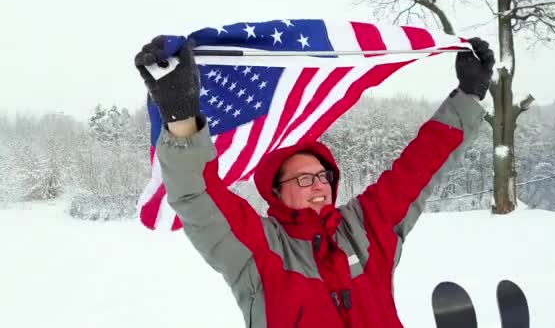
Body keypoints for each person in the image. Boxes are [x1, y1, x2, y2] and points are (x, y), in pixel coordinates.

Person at [134, 35, 494, 328]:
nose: (320, 185)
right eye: (305, 179)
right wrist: (181, 116)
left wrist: (468, 96)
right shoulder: (258, 251)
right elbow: (198, 196)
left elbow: (421, 167)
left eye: (324, 176)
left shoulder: (367, 228)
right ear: (276, 192)